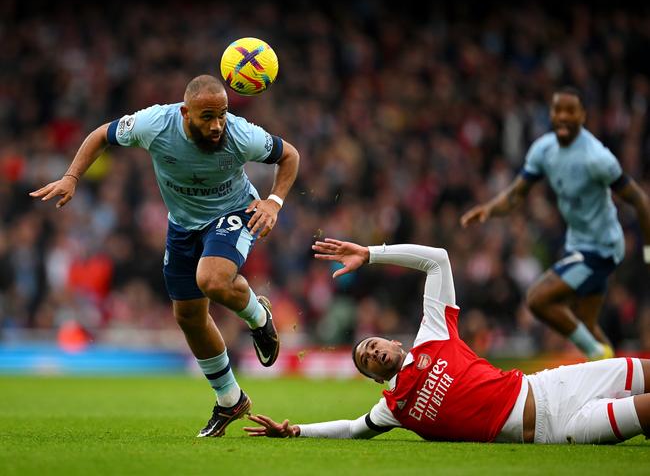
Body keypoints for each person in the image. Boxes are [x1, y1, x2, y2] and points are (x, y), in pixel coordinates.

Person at [30, 74, 300, 437]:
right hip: (183, 225)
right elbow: (101, 135)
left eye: (222, 114)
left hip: (234, 212)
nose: (217, 124)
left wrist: (274, 201)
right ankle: (230, 400)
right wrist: (72, 177)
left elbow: (289, 156)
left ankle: (258, 316)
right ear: (185, 112)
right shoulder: (154, 124)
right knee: (188, 316)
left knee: (212, 279)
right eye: (207, 117)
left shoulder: (242, 134)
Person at [244, 238, 650, 444]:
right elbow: (352, 428)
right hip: (557, 430)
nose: (373, 351)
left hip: (551, 385)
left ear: (395, 343)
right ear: (373, 377)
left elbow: (437, 258)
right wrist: (295, 431)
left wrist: (370, 253)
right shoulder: (394, 407)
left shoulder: (433, 334)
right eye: (367, 359)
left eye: (372, 345)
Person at [460, 87, 650, 360]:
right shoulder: (544, 149)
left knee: (537, 299)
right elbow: (517, 194)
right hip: (577, 244)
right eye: (557, 110)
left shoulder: (597, 158)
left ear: (583, 115)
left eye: (570, 111)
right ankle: (615, 376)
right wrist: (488, 210)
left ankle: (597, 353)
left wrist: (648, 253)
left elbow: (640, 200)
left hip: (602, 249)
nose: (562, 116)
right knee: (586, 325)